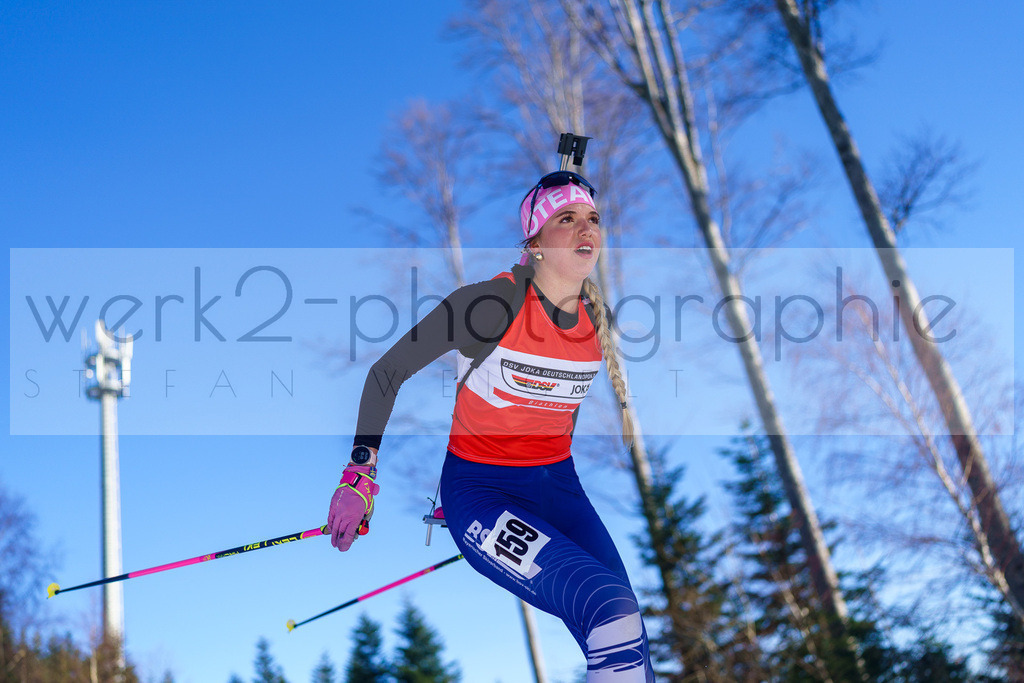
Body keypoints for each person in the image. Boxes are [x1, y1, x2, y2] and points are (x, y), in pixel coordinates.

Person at [327, 167, 655, 682]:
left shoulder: (596, 321)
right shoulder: (490, 305)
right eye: (566, 219)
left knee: (629, 634)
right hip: (483, 492)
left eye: (592, 218)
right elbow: (387, 372)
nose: (586, 228)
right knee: (608, 610)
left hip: (559, 490)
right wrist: (358, 474)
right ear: (536, 242)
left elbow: (554, 414)